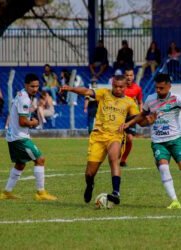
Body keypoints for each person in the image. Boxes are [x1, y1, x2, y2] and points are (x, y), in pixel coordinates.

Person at [120, 73, 181, 209]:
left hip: (176, 139)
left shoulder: (176, 99)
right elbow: (142, 116)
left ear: (169, 86)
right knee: (163, 167)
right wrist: (129, 124)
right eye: (157, 88)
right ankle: (174, 201)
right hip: (158, 141)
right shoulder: (150, 99)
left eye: (161, 88)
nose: (158, 91)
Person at [59, 75, 140, 205]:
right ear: (112, 84)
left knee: (113, 159)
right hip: (98, 136)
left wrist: (134, 123)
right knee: (89, 173)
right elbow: (86, 91)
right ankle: (90, 185)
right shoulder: (103, 93)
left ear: (126, 87)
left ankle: (116, 193)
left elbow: (138, 118)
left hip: (116, 136)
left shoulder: (130, 102)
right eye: (115, 86)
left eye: (121, 87)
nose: (118, 89)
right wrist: (70, 88)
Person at [0, 73, 57, 201]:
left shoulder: (22, 94)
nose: (35, 89)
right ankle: (40, 193)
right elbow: (23, 122)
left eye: (37, 86)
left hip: (13, 136)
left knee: (20, 164)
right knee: (40, 159)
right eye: (32, 86)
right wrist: (34, 122)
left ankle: (6, 192)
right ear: (26, 85)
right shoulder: (25, 99)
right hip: (19, 138)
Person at [120, 68, 143, 167]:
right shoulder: (119, 87)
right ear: (124, 76)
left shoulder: (137, 88)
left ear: (133, 76)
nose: (129, 77)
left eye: (131, 75)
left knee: (129, 138)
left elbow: (140, 102)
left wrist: (141, 113)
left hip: (131, 117)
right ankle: (115, 155)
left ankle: (123, 160)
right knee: (117, 139)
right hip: (120, 116)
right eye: (127, 75)